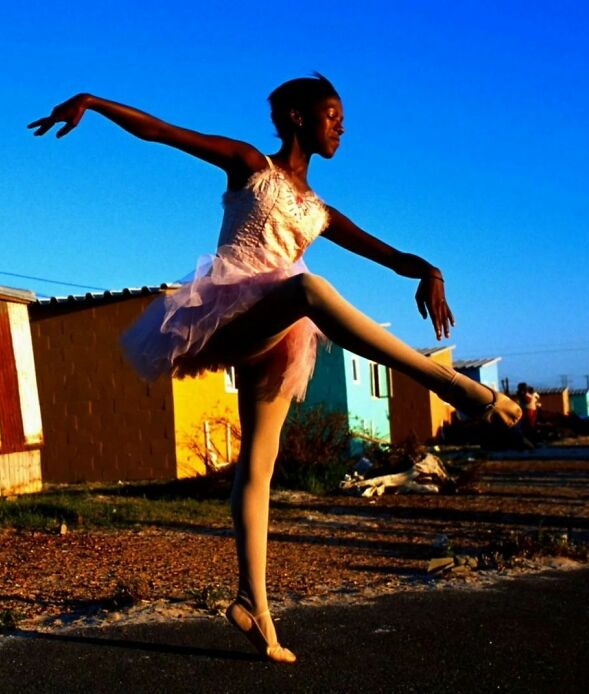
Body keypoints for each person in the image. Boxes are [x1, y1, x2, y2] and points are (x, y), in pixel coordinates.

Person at [29, 75, 522, 663]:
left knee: (258, 469)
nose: (341, 126)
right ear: (296, 117)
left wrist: (430, 269)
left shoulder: (319, 210)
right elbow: (162, 132)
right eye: (332, 115)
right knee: (309, 289)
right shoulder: (248, 163)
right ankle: (456, 388)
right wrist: (92, 100)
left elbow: (389, 256)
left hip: (281, 338)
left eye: (342, 118)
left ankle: (253, 607)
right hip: (232, 312)